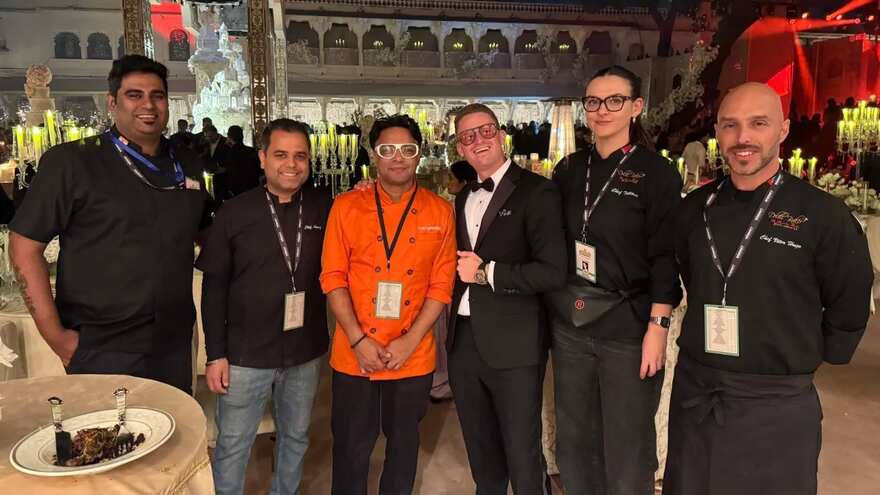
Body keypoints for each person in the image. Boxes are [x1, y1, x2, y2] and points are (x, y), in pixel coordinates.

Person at [664, 82, 873, 495]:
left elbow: (850, 296)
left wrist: (817, 350)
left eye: (758, 123)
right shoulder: (693, 209)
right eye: (730, 125)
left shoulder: (821, 214)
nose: (742, 137)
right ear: (717, 133)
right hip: (697, 392)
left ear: (783, 129)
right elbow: (687, 273)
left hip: (776, 401)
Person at [8, 55, 207, 394]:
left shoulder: (185, 163)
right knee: (105, 429)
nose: (148, 105)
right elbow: (23, 248)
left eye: (157, 95)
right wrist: (57, 337)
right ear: (112, 102)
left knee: (171, 426)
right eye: (134, 95)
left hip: (173, 341)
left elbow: (204, 232)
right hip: (102, 347)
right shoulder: (73, 162)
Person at [549, 65, 682, 495]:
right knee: (574, 434)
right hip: (573, 321)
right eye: (593, 101)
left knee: (627, 441)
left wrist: (658, 327)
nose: (602, 110)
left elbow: (665, 256)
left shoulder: (656, 173)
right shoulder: (570, 169)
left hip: (629, 325)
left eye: (614, 101)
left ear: (635, 107)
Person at [320, 114, 456, 495]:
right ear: (374, 155)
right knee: (350, 448)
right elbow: (333, 277)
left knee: (403, 447)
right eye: (388, 149)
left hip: (412, 352)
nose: (398, 157)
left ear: (419, 155)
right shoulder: (346, 206)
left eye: (407, 149)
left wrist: (409, 341)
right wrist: (358, 340)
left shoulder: (440, 211)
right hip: (355, 351)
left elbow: (441, 286)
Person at [197, 119, 330, 495]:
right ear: (262, 158)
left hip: (304, 350)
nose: (292, 164)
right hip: (245, 355)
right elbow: (213, 288)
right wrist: (215, 354)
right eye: (281, 155)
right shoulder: (234, 213)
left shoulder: (325, 207)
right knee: (233, 444)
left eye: (300, 156)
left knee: (296, 436)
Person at [447, 103, 566, 494]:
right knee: (481, 450)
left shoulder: (538, 191)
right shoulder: (462, 198)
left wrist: (487, 272)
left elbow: (552, 271)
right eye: (468, 136)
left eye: (485, 131)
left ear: (501, 135)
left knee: (522, 452)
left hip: (515, 345)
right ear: (460, 148)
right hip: (463, 342)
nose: (478, 141)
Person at [220, 125, 262, 197]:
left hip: (238, 190)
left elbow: (231, 173)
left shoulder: (230, 153)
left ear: (230, 137)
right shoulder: (251, 150)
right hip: (253, 187)